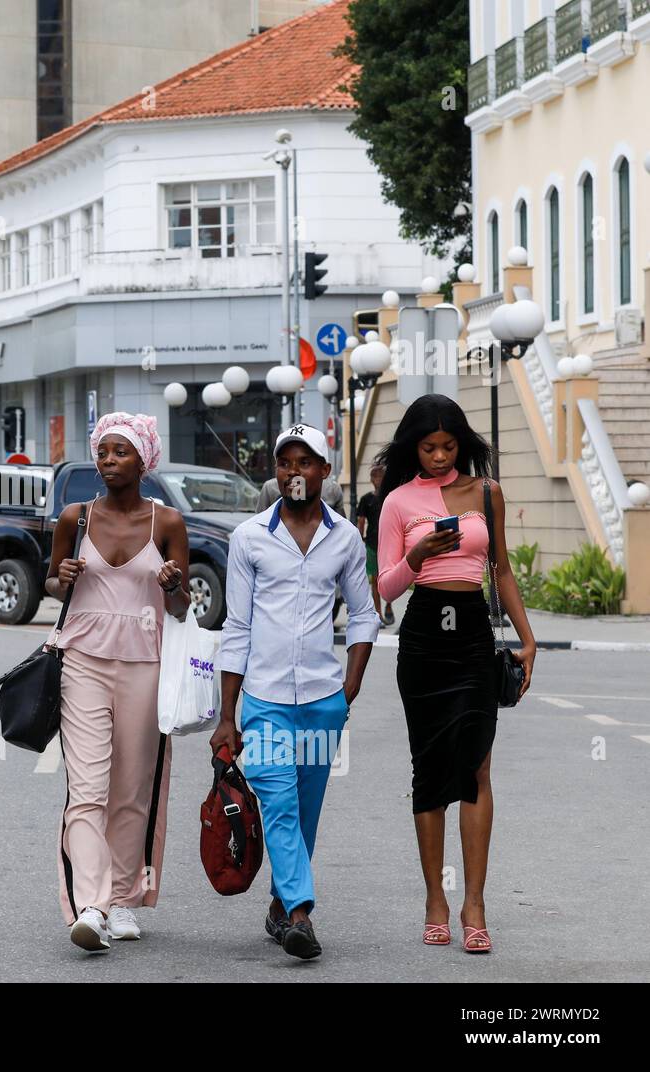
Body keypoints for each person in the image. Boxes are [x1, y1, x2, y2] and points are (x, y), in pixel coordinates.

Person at [375, 394, 535, 954]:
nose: (439, 456)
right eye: (428, 447)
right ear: (412, 448)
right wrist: (418, 555)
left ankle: (475, 904)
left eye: (448, 446)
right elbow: (384, 590)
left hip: (470, 632)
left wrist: (529, 638)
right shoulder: (397, 501)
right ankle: (435, 902)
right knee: (429, 769)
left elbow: (503, 571)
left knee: (475, 768)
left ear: (462, 443)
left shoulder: (487, 494)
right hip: (423, 636)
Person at [214, 423, 379, 961]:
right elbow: (236, 627)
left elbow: (363, 614)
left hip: (321, 701)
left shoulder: (345, 539)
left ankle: (280, 906)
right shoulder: (250, 538)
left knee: (305, 809)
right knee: (280, 800)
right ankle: (302, 915)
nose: (294, 472)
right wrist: (227, 714)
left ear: (324, 472)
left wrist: (348, 686)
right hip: (262, 700)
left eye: (305, 462)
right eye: (285, 462)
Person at [46, 412, 190, 953]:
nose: (108, 461)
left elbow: (179, 609)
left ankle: (125, 899)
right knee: (86, 789)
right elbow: (53, 583)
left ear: (143, 459)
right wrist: (59, 578)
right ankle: (91, 905)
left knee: (132, 788)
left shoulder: (169, 523)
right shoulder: (74, 517)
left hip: (146, 667)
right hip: (81, 660)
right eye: (103, 451)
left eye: (120, 451)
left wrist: (175, 587)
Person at [354, 463, 394, 625]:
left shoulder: (390, 497)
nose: (377, 480)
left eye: (380, 477)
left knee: (391, 579)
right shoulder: (366, 499)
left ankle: (389, 605)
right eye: (375, 476)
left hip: (390, 543)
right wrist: (359, 539)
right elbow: (361, 521)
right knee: (376, 580)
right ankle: (378, 614)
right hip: (371, 543)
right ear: (371, 479)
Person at [255, 473, 344, 513]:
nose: (294, 470)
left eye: (305, 463)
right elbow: (260, 523)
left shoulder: (333, 489)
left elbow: (340, 526)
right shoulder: (270, 487)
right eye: (284, 463)